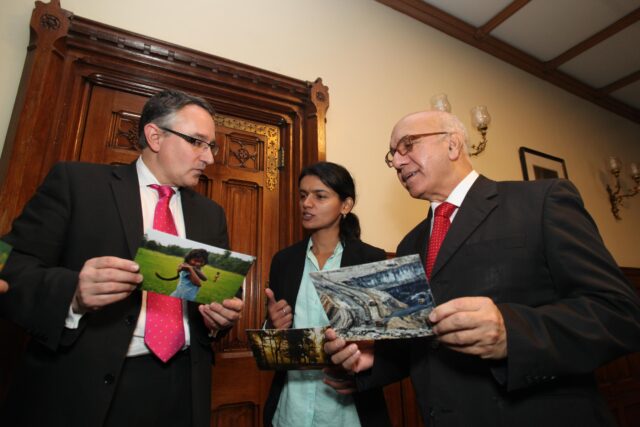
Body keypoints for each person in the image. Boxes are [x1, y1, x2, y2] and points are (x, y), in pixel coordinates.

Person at [324, 110, 640, 426]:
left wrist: (512, 333)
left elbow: (620, 313)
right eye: (391, 155)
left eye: (407, 145)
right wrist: (375, 360)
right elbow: (423, 344)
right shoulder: (410, 244)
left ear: (453, 144)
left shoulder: (542, 201)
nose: (397, 162)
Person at [0, 90, 244, 427]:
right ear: (155, 136)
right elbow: (10, 266)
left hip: (183, 387)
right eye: (197, 142)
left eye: (211, 146)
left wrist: (221, 316)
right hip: (87, 389)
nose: (209, 158)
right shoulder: (77, 183)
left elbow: (218, 292)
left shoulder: (211, 214)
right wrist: (73, 292)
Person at [263, 162, 391, 427]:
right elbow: (274, 342)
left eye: (319, 196)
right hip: (290, 410)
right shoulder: (284, 261)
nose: (306, 203)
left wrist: (361, 374)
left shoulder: (370, 260)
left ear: (345, 205)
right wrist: (272, 326)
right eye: (302, 195)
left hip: (348, 412)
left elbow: (389, 341)